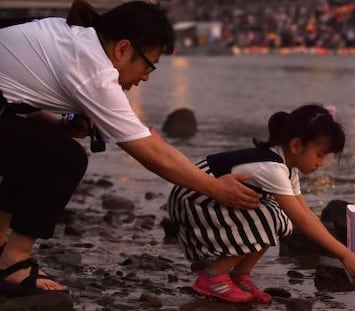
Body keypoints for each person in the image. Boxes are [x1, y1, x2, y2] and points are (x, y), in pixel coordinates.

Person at [0, 1, 260, 295]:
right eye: (148, 65)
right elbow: (154, 156)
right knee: (65, 157)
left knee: (42, 146)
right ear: (122, 49)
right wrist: (215, 188)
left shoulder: (70, 35)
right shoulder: (93, 70)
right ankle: (14, 261)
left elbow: (15, 85)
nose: (146, 77)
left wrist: (56, 124)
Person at [167, 104, 355, 304]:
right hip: (193, 198)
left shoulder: (287, 168)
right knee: (272, 218)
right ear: (296, 146)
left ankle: (240, 275)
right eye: (320, 154)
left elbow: (304, 213)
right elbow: (303, 220)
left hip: (207, 199)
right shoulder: (272, 168)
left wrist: (342, 249)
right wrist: (344, 254)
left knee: (280, 217)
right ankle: (213, 276)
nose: (322, 163)